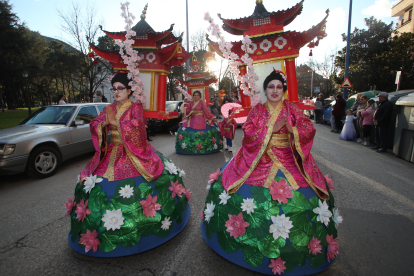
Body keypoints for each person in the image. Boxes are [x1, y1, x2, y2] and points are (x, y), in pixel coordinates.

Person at [200, 70, 340, 275]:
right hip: (261, 157)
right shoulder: (257, 110)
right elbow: (248, 132)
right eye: (270, 87)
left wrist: (292, 130)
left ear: (283, 90)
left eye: (278, 87)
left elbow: (308, 128)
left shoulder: (292, 110)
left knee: (305, 193)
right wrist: (270, 130)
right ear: (265, 90)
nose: (274, 91)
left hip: (289, 157)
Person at [67, 72, 191, 257]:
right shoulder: (109, 107)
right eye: (114, 88)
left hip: (134, 152)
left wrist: (115, 122)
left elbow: (138, 127)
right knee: (96, 183)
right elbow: (96, 123)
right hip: (113, 151)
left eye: (120, 88)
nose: (116, 92)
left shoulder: (135, 107)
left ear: (129, 89)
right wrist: (101, 124)